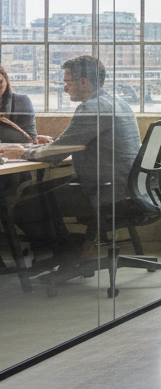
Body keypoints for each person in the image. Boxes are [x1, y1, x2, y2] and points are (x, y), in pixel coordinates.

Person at [2, 56, 141, 264]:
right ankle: (67, 249)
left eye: (67, 82)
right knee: (33, 192)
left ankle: (67, 253)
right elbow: (75, 143)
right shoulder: (117, 103)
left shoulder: (90, 109)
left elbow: (57, 154)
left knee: (24, 209)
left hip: (104, 191)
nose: (65, 88)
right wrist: (51, 144)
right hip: (125, 187)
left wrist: (21, 153)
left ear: (83, 82)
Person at [0, 64, 45, 145]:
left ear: (6, 80)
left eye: (0, 82)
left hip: (16, 151)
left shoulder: (21, 101)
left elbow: (30, 138)